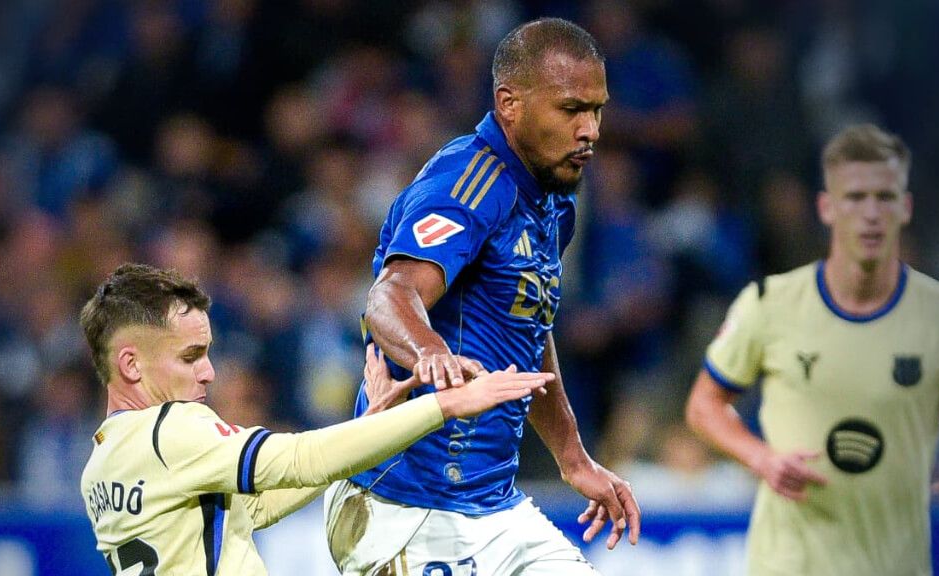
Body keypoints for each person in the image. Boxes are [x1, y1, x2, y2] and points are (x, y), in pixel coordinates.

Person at [324, 17, 640, 576]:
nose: (590, 129)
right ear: (509, 103)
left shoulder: (553, 203)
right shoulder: (467, 183)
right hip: (404, 503)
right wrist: (430, 354)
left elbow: (528, 330)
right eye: (571, 110)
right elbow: (390, 296)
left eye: (597, 110)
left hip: (491, 503)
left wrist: (573, 457)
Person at [78, 263, 553, 575]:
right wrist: (442, 407)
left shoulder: (100, 465)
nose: (209, 372)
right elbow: (301, 459)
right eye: (190, 357)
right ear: (131, 365)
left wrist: (370, 422)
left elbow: (254, 510)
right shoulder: (172, 428)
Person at [685, 124, 939, 575]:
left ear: (904, 208)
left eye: (884, 197)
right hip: (789, 565)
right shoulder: (769, 304)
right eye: (855, 197)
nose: (871, 213)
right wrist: (761, 457)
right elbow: (702, 406)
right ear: (827, 207)